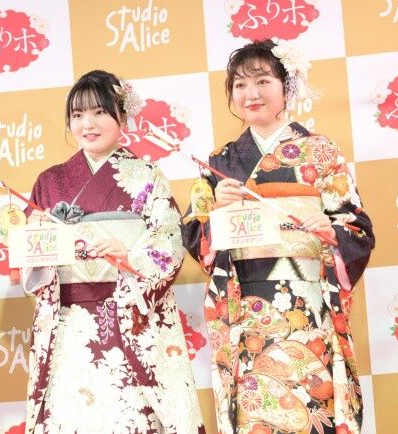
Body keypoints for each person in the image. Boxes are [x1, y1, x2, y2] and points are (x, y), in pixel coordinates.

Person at [182, 40, 374, 433]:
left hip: (306, 303)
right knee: (256, 414)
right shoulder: (219, 163)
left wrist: (331, 231)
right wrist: (218, 210)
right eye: (240, 85)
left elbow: (357, 228)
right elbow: (195, 233)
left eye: (262, 81)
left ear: (286, 87)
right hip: (246, 309)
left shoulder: (321, 152)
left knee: (313, 404)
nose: (250, 93)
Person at [21, 70, 205, 433]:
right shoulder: (49, 181)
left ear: (122, 116)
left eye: (99, 112)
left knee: (130, 417)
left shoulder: (147, 175)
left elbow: (170, 241)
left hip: (129, 316)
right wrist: (37, 238)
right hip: (69, 323)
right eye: (77, 115)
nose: (87, 124)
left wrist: (131, 257)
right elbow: (33, 263)